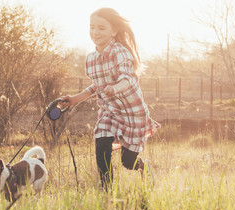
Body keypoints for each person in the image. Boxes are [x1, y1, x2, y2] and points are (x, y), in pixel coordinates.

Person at [60, 8, 160, 190]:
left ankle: (144, 168)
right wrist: (73, 99)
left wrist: (114, 88)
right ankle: (107, 191)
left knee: (128, 162)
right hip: (110, 111)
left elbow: (128, 79)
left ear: (113, 31)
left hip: (133, 113)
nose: (95, 32)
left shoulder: (120, 52)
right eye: (92, 27)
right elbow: (95, 87)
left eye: (101, 28)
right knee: (101, 142)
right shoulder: (91, 59)